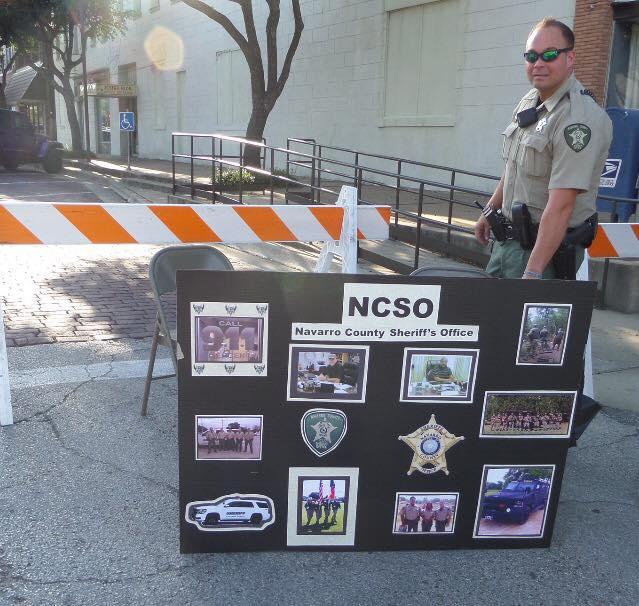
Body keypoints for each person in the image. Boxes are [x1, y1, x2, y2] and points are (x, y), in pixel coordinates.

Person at [474, 17, 612, 279]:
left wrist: (533, 273)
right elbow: (514, 167)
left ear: (570, 59)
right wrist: (489, 211)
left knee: (523, 320)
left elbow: (561, 206)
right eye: (531, 55)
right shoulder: (530, 101)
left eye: (549, 55)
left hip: (543, 255)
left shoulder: (578, 120)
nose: (538, 63)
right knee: (489, 318)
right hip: (506, 244)